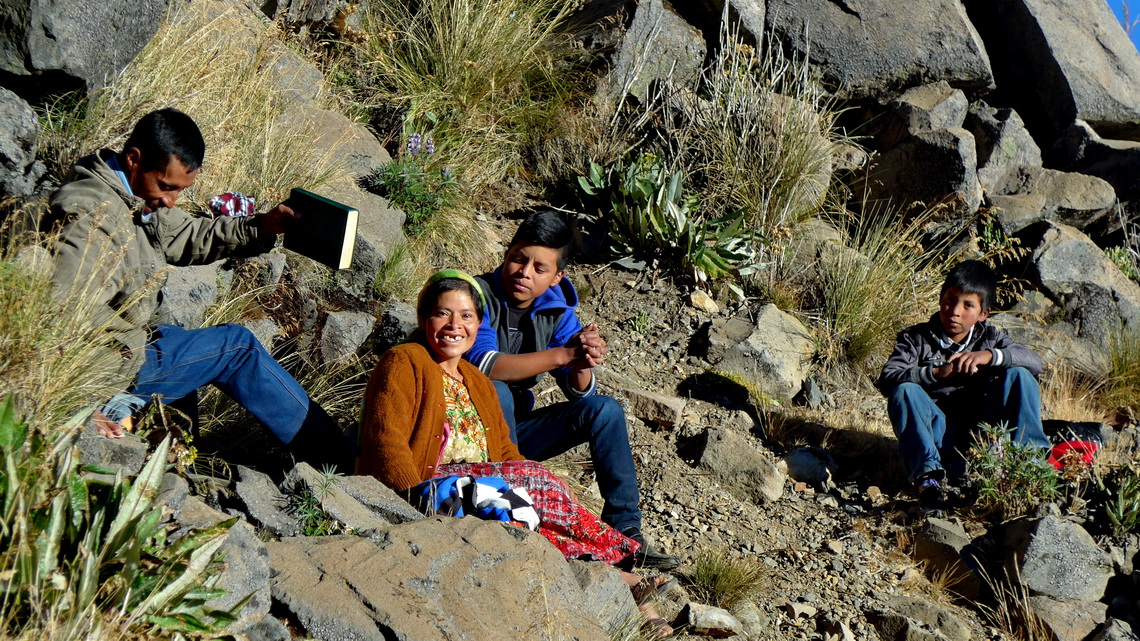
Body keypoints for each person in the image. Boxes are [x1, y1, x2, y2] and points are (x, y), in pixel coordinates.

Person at [358, 271, 673, 637]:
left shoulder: (475, 380)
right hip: (434, 486)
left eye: (465, 316)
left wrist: (539, 479)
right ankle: (626, 581)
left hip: (482, 483)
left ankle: (637, 600)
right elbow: (386, 439)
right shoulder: (405, 361)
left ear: (478, 324)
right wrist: (410, 500)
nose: (454, 325)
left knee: (535, 495)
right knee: (520, 501)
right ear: (423, 318)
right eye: (442, 314)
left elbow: (506, 450)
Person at [49, 107, 355, 471]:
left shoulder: (132, 197)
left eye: (180, 190)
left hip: (130, 345)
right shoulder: (91, 221)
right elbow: (59, 317)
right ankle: (344, 462)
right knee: (237, 347)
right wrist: (83, 409)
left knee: (179, 338)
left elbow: (186, 235)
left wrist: (262, 226)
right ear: (134, 159)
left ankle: (179, 457)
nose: (171, 201)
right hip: (108, 371)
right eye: (167, 187)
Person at [463, 210, 679, 571]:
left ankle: (627, 531)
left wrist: (581, 360)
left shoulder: (558, 311)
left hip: (515, 437)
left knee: (604, 410)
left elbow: (579, 393)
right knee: (495, 390)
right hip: (470, 434)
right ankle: (510, 499)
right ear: (507, 254)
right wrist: (562, 353)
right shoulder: (477, 296)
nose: (524, 272)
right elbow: (486, 364)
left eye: (539, 268)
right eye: (518, 258)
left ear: (556, 277)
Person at [878, 260, 1049, 508]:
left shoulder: (991, 338)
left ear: (983, 314)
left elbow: (1035, 363)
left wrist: (989, 356)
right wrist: (936, 372)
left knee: (1020, 375)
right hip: (937, 436)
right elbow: (888, 378)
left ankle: (1030, 466)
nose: (955, 311)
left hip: (983, 438)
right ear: (940, 298)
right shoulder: (915, 338)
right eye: (950, 299)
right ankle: (928, 482)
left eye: (968, 305)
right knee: (904, 391)